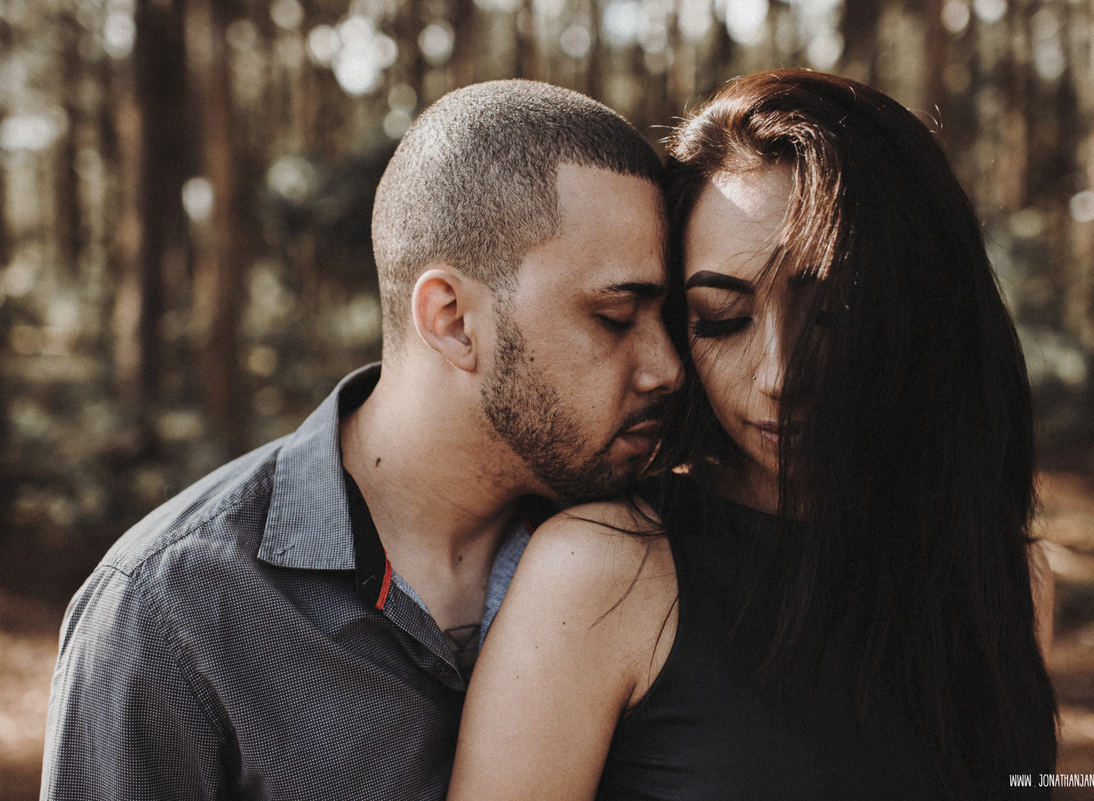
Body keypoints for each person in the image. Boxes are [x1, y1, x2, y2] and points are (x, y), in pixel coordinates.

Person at [40, 79, 682, 801]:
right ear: (452, 319)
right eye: (617, 317)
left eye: (675, 319)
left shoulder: (654, 556)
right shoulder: (170, 614)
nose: (666, 367)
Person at [447, 70, 1058, 800]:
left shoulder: (1009, 576)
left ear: (924, 304)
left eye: (833, 312)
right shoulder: (606, 573)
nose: (777, 372)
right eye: (721, 318)